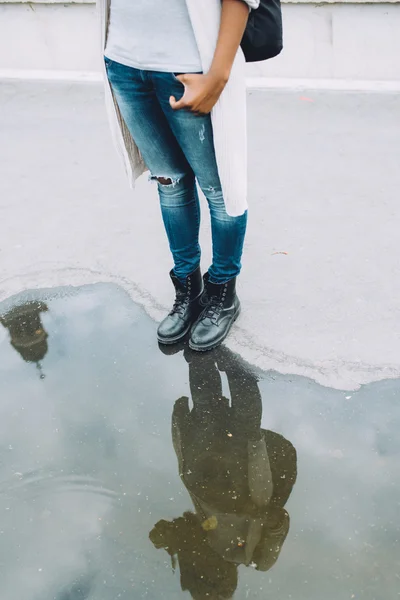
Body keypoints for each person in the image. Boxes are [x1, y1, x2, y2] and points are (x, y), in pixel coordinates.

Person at [98, 0, 260, 351]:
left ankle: (222, 295)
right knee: (169, 183)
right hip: (124, 63)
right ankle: (188, 289)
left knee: (220, 190)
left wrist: (218, 75)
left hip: (191, 68)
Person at [151, 347, 297, 598]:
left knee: (206, 409)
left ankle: (201, 351)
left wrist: (165, 537)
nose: (210, 577)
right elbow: (278, 524)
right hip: (245, 481)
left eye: (204, 582)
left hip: (204, 475)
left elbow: (181, 527)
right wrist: (261, 515)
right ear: (230, 582)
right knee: (244, 426)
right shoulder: (257, 559)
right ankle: (234, 363)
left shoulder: (196, 551)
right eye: (217, 585)